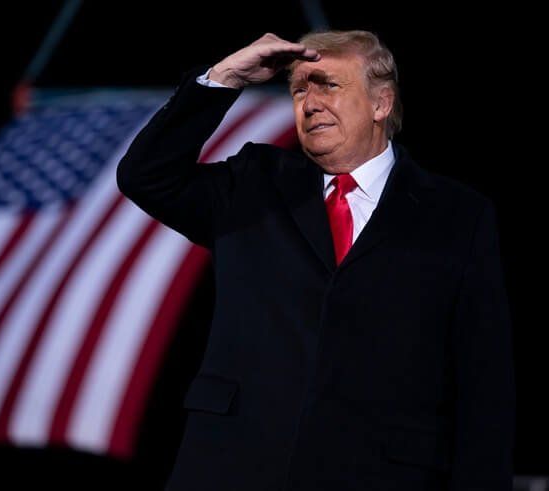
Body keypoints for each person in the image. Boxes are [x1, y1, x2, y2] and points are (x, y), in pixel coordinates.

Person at [118, 30, 515, 491]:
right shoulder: (254, 184)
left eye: (328, 84)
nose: (309, 103)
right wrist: (225, 77)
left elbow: (483, 383)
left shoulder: (456, 216)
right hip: (235, 468)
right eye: (299, 89)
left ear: (381, 103)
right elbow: (146, 176)